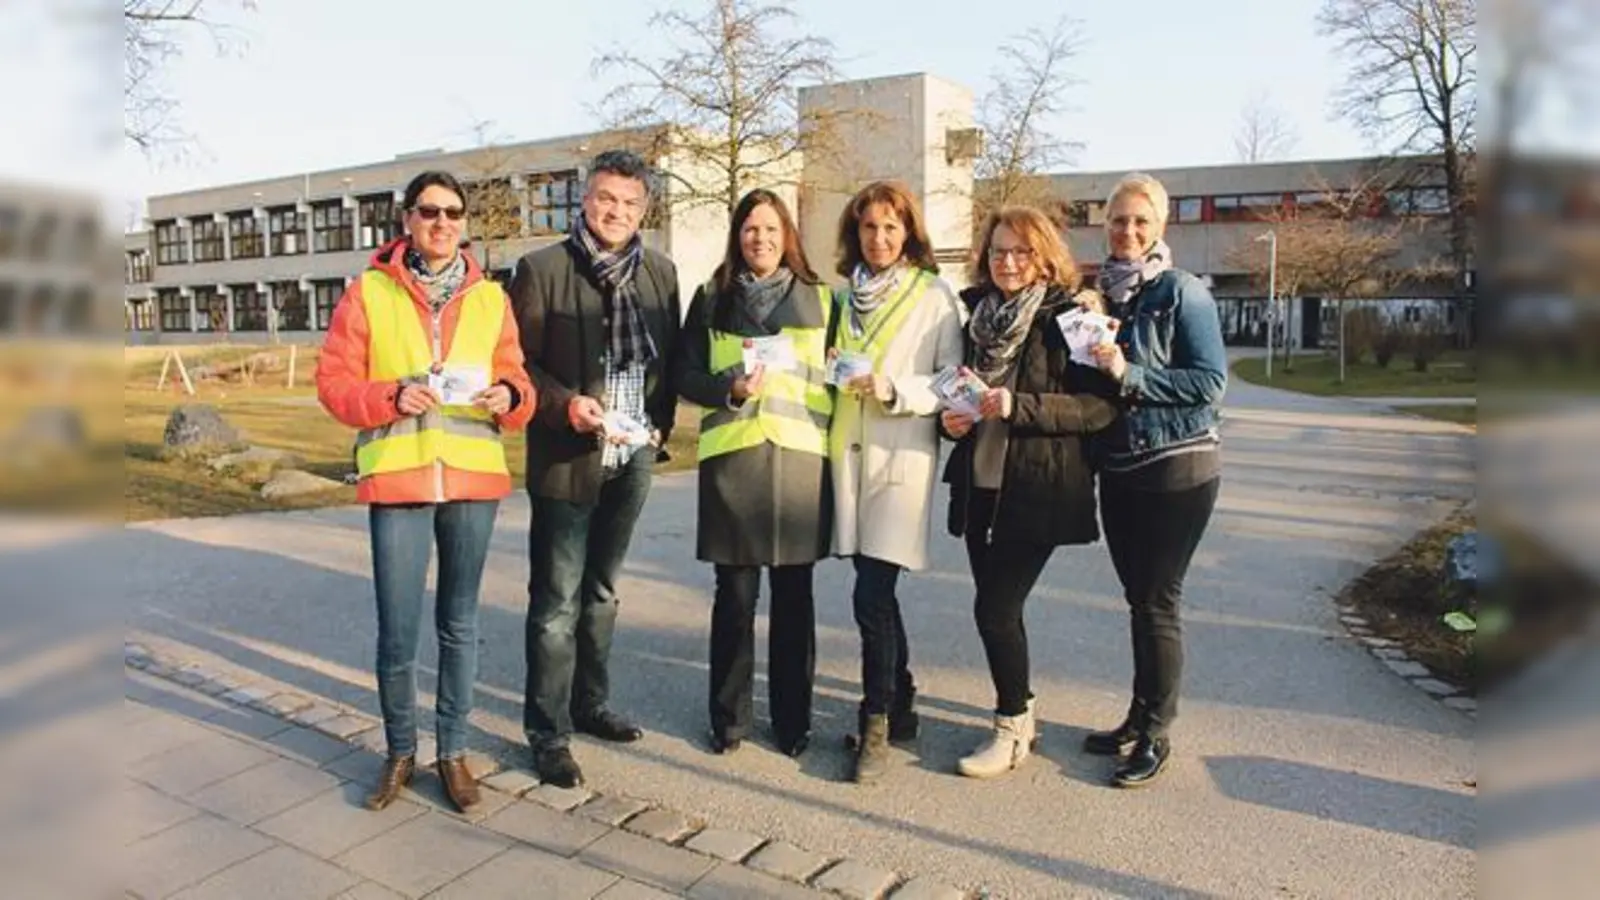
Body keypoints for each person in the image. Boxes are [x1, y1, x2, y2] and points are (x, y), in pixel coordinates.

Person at [316, 170, 536, 813]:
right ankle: (399, 752)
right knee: (397, 628)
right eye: (430, 212)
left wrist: (510, 396)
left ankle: (454, 753)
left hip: (470, 478)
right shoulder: (367, 293)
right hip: (400, 476)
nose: (443, 223)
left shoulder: (492, 298)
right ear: (406, 219)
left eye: (453, 213)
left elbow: (519, 382)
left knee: (459, 624)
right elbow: (334, 384)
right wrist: (389, 396)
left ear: (464, 223)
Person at [509, 150, 682, 788]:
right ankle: (547, 732)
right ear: (586, 200)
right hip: (567, 456)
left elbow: (668, 358)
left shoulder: (660, 273)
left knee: (603, 593)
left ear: (645, 210)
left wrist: (658, 426)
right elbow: (517, 365)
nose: (617, 212)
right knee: (556, 602)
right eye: (606, 199)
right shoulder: (541, 269)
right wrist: (565, 406)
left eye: (630, 203)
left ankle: (590, 703)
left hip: (632, 455)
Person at [939, 207, 1118, 779]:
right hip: (980, 480)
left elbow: (1101, 407)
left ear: (1044, 256)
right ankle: (1022, 712)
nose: (1008, 262)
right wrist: (951, 423)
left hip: (1037, 484)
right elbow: (960, 393)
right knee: (994, 609)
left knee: (996, 607)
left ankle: (1011, 725)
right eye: (997, 251)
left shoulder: (1071, 317)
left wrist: (1022, 407)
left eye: (1020, 252)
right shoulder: (977, 318)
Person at [674, 189, 836, 758]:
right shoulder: (711, 298)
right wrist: (728, 389)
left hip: (799, 468)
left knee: (795, 602)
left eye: (769, 229)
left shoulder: (822, 300)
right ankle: (729, 720)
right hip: (734, 465)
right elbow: (684, 375)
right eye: (749, 230)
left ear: (787, 235)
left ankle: (793, 721)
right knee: (735, 600)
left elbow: (840, 375)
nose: (759, 239)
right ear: (736, 237)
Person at [1084, 172, 1228, 788]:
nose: (1128, 231)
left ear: (1161, 228)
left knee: (1159, 600)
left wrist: (1130, 373)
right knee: (1138, 600)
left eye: (1141, 221)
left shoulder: (1182, 291)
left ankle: (1157, 731)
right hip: (1119, 469)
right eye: (1119, 220)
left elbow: (1209, 382)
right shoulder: (1103, 297)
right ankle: (1137, 714)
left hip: (1178, 465)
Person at [829, 180, 965, 784]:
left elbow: (950, 379)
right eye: (868, 228)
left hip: (901, 457)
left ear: (908, 231)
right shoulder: (841, 297)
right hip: (849, 456)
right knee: (873, 590)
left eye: (890, 227)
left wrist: (892, 388)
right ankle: (903, 695)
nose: (879, 239)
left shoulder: (935, 295)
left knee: (870, 596)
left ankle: (877, 720)